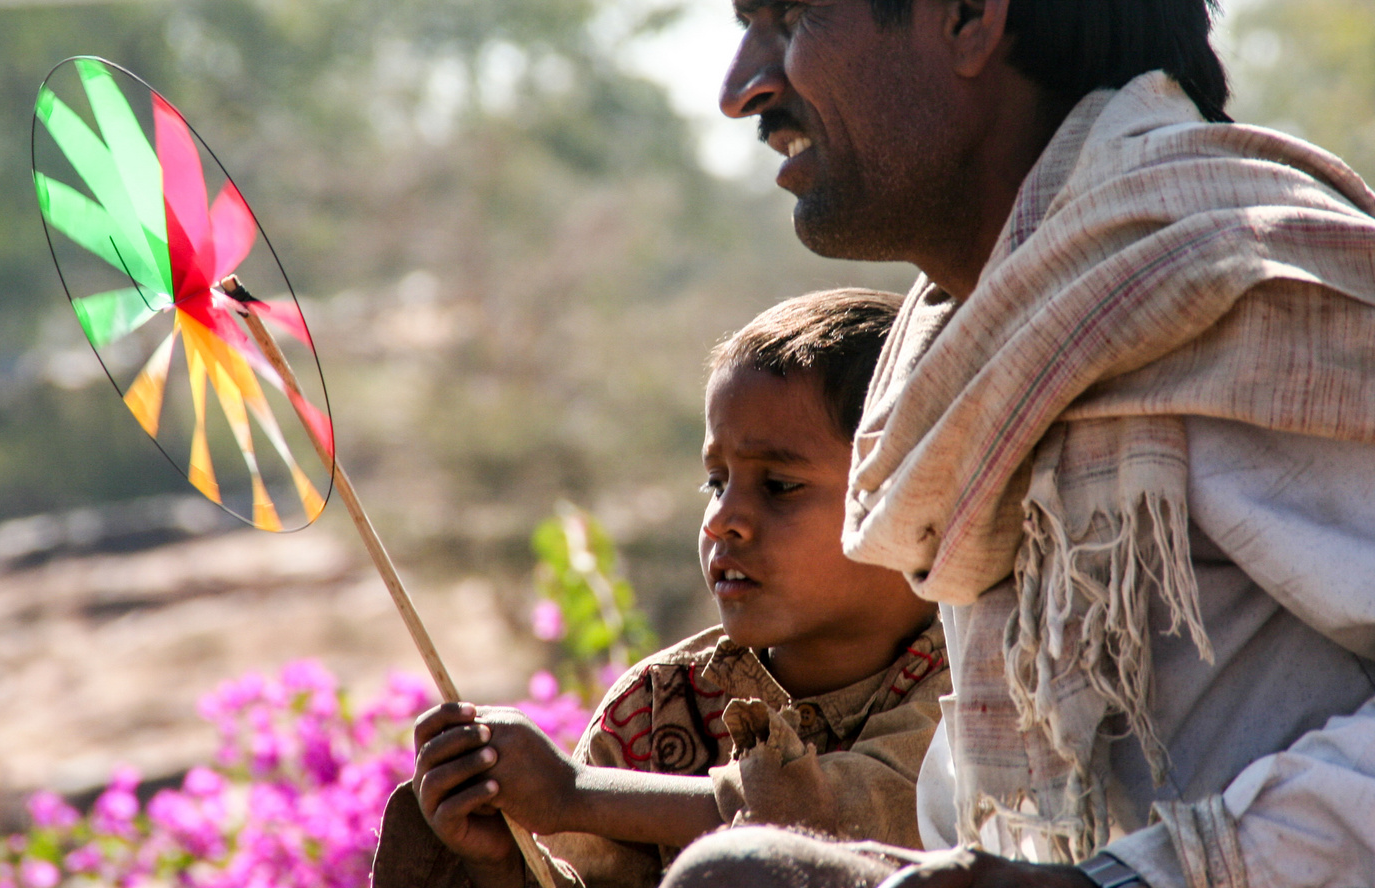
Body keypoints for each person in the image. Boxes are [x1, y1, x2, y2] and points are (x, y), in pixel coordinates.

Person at [659, 0, 1375, 887]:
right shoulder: (997, 346)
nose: (743, 88)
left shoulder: (1228, 288)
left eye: (785, 14)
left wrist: (1146, 880)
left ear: (968, 6)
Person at [370, 289, 949, 888]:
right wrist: (501, 864)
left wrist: (574, 793)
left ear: (911, 499)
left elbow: (852, 816)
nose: (724, 518)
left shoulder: (976, 688)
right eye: (715, 483)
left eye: (778, 484)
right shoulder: (650, 709)